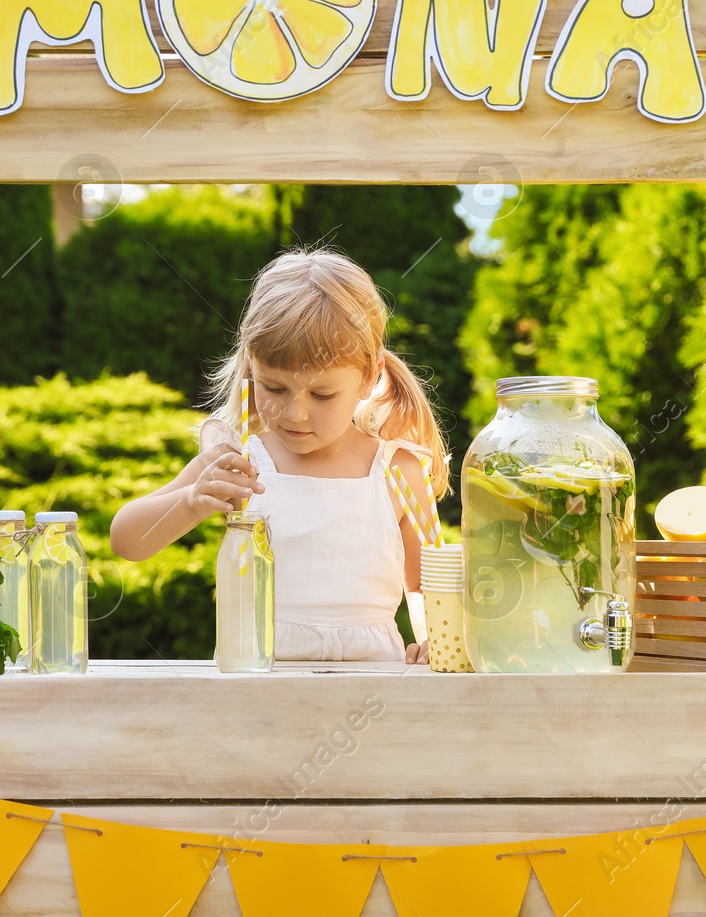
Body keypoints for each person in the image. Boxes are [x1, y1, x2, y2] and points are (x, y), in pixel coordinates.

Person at [109, 247, 450, 663]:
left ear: (369, 377)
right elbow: (127, 541)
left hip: (373, 685)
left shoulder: (397, 471)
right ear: (251, 369)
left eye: (322, 394)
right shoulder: (237, 461)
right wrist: (189, 502)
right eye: (273, 388)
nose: (295, 413)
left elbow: (426, 583)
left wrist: (437, 640)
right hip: (256, 688)